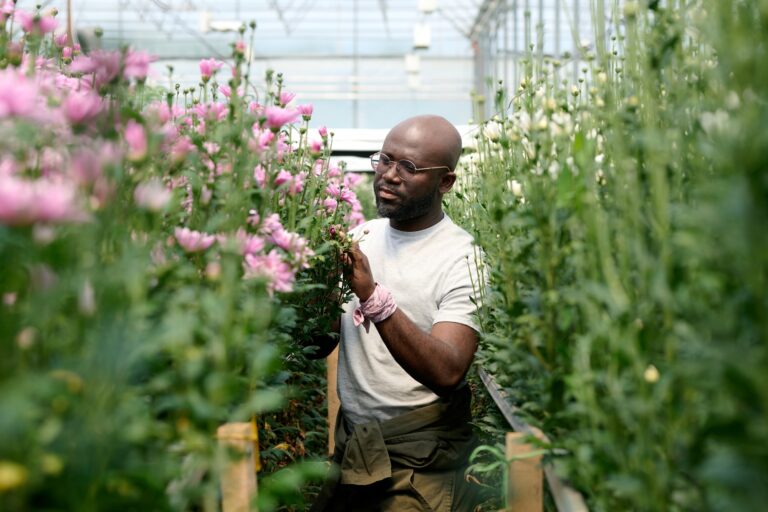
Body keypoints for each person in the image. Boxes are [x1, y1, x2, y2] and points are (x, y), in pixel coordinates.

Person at [310, 115, 483, 511]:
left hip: (419, 457)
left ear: (446, 182)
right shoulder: (362, 237)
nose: (389, 175)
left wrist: (372, 296)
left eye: (409, 167)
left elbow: (448, 371)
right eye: (385, 160)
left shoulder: (463, 259)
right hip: (355, 446)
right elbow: (321, 343)